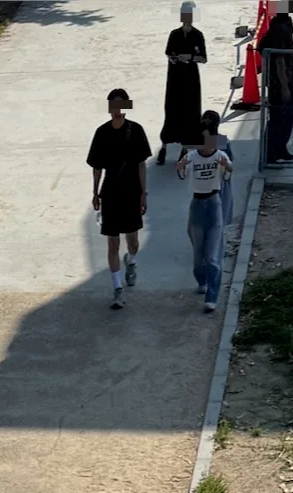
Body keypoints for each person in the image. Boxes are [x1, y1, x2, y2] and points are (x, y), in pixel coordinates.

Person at [87, 89, 151, 311]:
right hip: (111, 194)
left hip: (132, 192)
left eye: (120, 106)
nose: (117, 111)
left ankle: (131, 261)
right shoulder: (101, 133)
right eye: (113, 106)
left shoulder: (136, 131)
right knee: (112, 242)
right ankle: (117, 289)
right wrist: (95, 193)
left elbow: (142, 163)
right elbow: (96, 167)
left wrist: (144, 193)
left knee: (132, 242)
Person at [177, 111, 232, 313]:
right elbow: (181, 172)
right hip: (197, 205)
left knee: (212, 255)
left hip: (214, 201)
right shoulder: (191, 155)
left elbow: (229, 171)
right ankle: (202, 280)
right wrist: (180, 167)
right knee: (198, 253)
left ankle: (212, 296)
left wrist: (226, 167)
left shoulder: (222, 152)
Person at [158, 2, 207, 165]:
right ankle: (164, 145)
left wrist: (190, 57)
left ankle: (185, 147)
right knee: (171, 109)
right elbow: (168, 52)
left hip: (191, 79)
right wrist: (173, 58)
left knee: (190, 112)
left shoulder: (197, 35)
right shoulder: (174, 34)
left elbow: (203, 58)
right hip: (175, 77)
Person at [260, 12, 293, 163]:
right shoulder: (280, 28)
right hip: (280, 81)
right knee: (281, 116)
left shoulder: (282, 23)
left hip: (282, 79)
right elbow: (280, 60)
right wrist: (284, 86)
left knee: (283, 116)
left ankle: (280, 148)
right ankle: (272, 152)